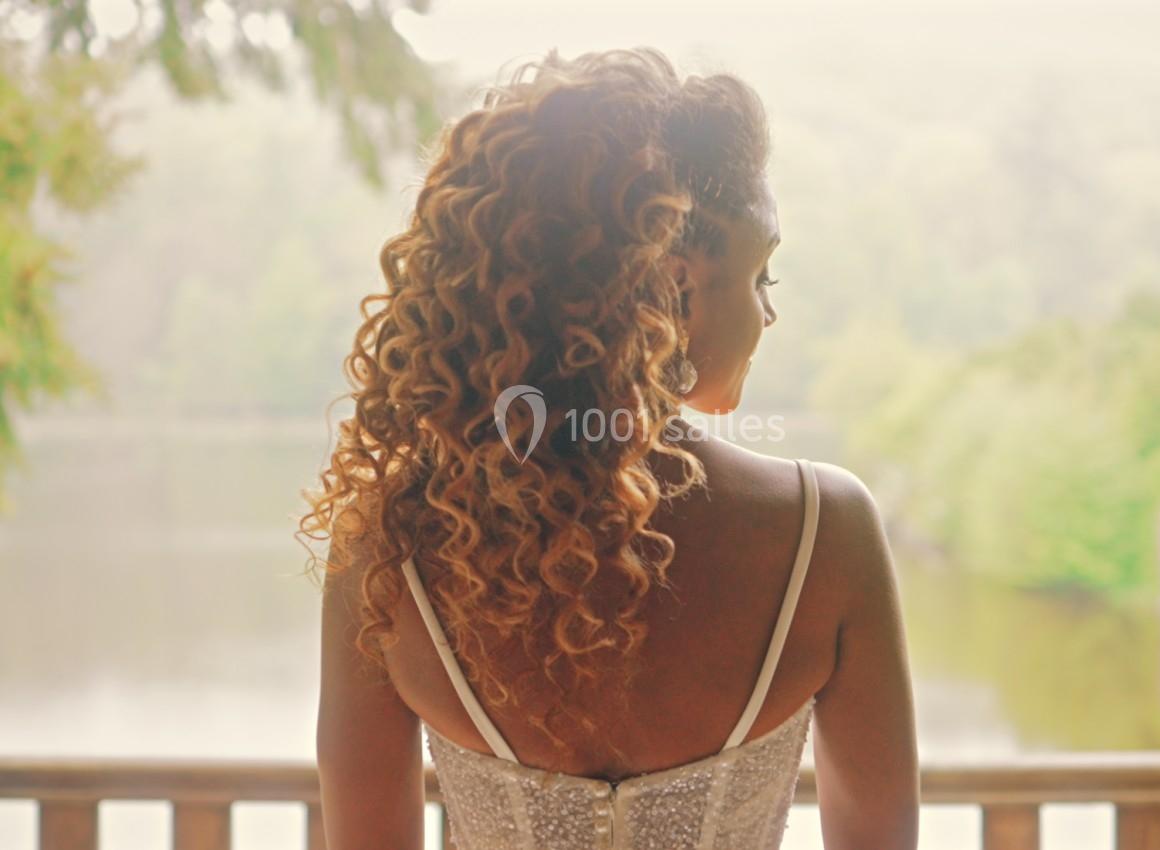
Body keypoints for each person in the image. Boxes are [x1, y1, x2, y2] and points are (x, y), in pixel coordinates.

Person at [306, 46, 918, 849]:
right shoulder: (824, 533)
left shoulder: (391, 549)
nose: (769, 315)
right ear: (679, 281)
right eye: (762, 274)